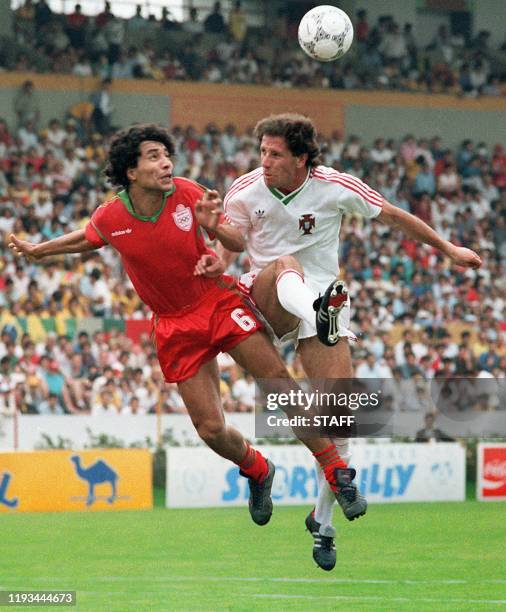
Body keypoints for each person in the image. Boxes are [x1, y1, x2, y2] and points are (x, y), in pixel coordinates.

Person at [9, 123, 365, 533]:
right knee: (210, 429)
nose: (166, 163)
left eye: (166, 155)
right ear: (131, 171)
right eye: (154, 157)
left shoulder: (186, 191)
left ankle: (336, 470)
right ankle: (257, 469)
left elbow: (234, 242)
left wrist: (213, 225)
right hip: (174, 326)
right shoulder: (112, 215)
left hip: (216, 301)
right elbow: (88, 238)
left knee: (276, 381)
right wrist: (40, 250)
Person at [194, 113, 481, 570]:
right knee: (286, 263)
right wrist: (215, 258)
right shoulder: (246, 188)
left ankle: (322, 524)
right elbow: (233, 240)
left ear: (301, 158)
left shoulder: (335, 185)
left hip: (323, 299)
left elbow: (392, 215)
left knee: (341, 419)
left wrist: (448, 249)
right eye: (262, 152)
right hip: (266, 296)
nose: (264, 161)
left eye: (275, 154)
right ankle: (318, 315)